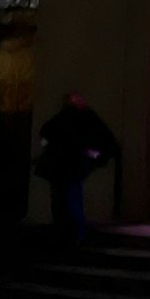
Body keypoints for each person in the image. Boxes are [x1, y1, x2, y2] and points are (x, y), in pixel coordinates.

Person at [35, 93, 119, 245]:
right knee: (70, 198)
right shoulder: (83, 118)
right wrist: (96, 155)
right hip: (70, 165)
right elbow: (105, 139)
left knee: (62, 199)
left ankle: (66, 232)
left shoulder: (64, 119)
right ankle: (72, 233)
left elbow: (46, 133)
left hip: (61, 165)